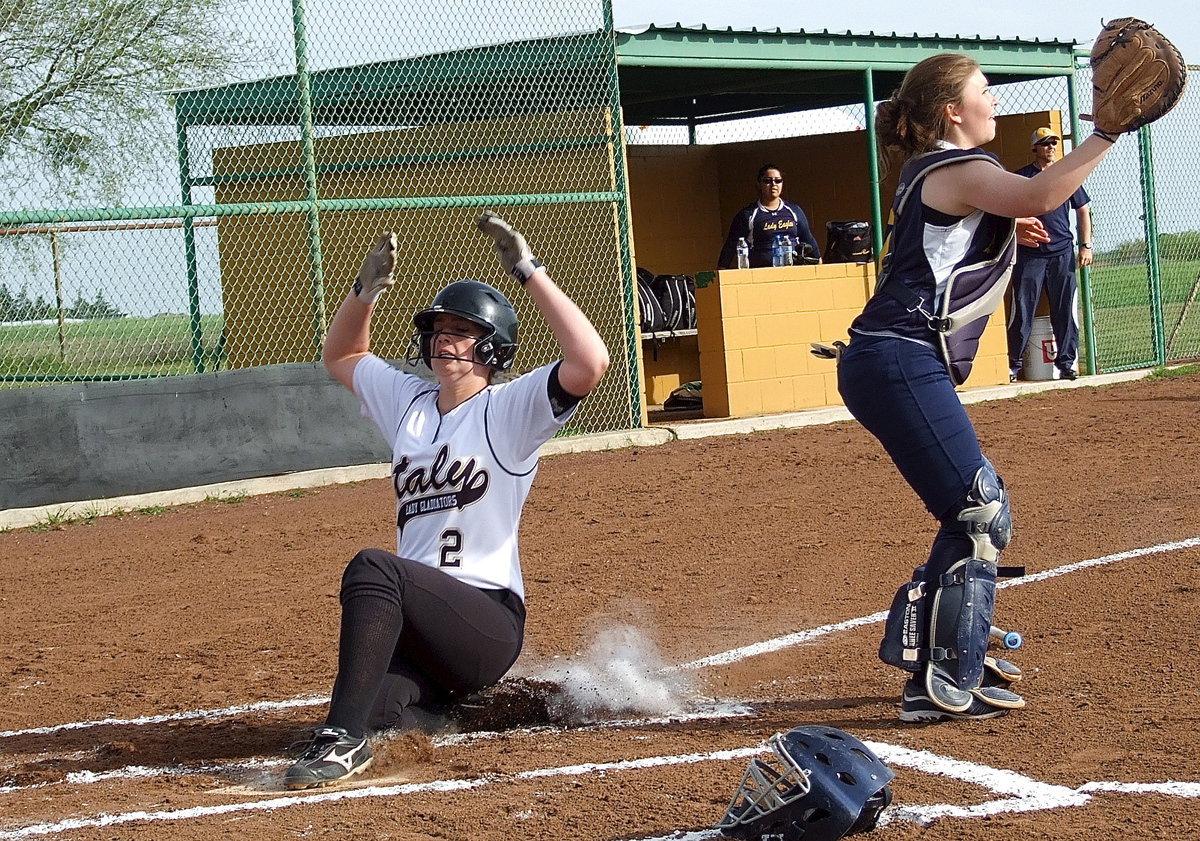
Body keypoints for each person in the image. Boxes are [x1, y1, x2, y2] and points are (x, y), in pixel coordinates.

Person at [834, 53, 1115, 722]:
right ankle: (939, 675)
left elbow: (998, 211)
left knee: (980, 510)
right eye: (982, 91)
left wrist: (999, 222)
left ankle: (948, 651)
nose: (993, 100)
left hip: (896, 357)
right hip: (896, 355)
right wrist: (1107, 134)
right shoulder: (957, 165)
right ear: (952, 112)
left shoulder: (945, 171)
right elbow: (1040, 194)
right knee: (978, 508)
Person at [283, 212, 609, 789]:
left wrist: (528, 271)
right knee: (382, 715)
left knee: (373, 567)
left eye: (460, 330)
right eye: (438, 329)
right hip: (424, 632)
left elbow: (590, 362)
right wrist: (364, 294)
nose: (444, 338)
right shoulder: (409, 402)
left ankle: (338, 742)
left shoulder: (510, 409)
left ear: (492, 347)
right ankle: (437, 715)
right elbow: (342, 357)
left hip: (486, 620)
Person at [1006, 127, 1093, 381]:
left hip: (1062, 253)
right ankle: (1014, 364)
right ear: (1035, 148)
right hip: (1030, 254)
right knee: (1022, 309)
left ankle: (1066, 364)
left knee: (1064, 310)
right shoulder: (1023, 177)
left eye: (1054, 143)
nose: (1050, 147)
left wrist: (1085, 246)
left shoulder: (1065, 175)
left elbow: (1083, 210)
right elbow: (1006, 211)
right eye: (1045, 144)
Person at [718, 164, 820, 268]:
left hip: (793, 270)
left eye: (778, 180)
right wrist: (721, 269)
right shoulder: (747, 214)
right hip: (762, 272)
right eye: (768, 181)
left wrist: (820, 263)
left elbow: (808, 238)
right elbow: (731, 245)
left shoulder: (794, 211)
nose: (773, 184)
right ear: (759, 184)